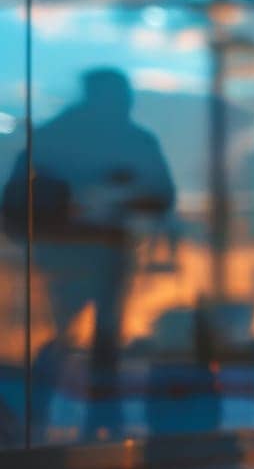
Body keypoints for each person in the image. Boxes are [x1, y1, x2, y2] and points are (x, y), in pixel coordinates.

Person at [3, 68, 176, 440]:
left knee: (70, 338)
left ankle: (49, 419)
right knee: (95, 341)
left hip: (75, 252)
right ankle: (88, 422)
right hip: (88, 252)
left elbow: (161, 195)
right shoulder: (131, 140)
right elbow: (163, 195)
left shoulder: (55, 135)